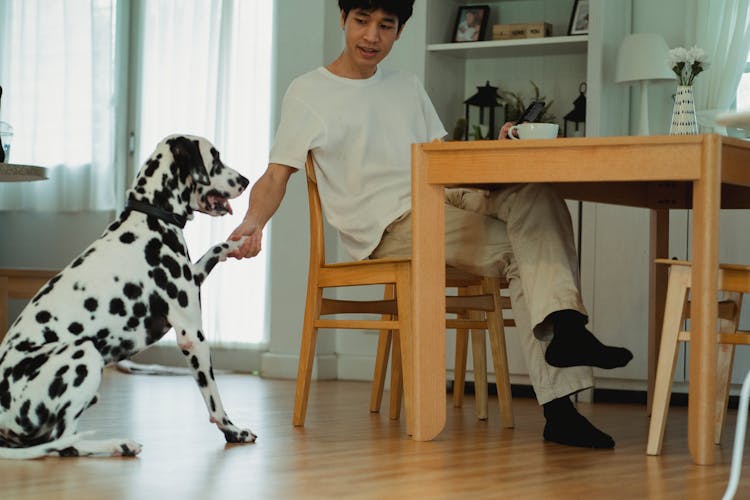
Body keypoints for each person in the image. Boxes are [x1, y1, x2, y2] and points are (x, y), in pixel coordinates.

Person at [229, 0, 633, 449]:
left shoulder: (406, 86)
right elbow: (275, 175)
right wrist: (252, 225)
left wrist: (494, 153)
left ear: (400, 32)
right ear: (343, 19)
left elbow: (444, 160)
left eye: (386, 26)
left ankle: (567, 330)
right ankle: (560, 406)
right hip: (389, 224)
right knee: (526, 248)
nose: (371, 37)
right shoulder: (309, 91)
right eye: (362, 21)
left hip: (441, 197)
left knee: (538, 195)